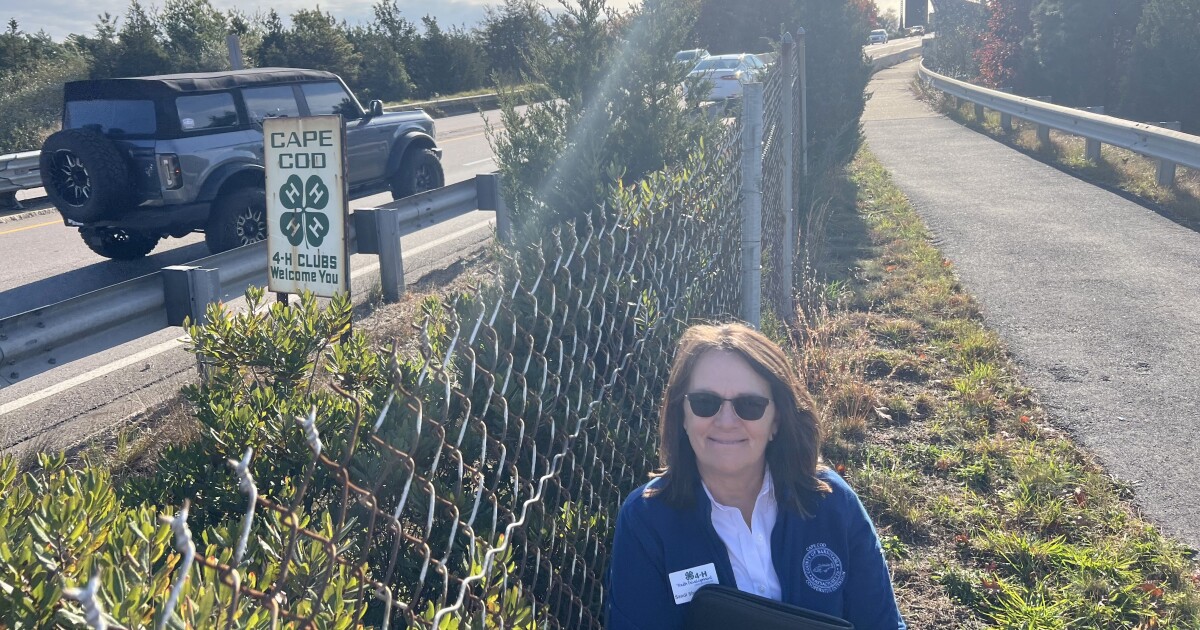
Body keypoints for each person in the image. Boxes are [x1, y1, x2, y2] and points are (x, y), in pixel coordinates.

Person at [606, 323, 906, 629]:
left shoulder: (831, 501)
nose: (725, 422)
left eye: (749, 405)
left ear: (777, 420)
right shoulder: (646, 520)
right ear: (681, 415)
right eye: (704, 403)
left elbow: (881, 623)